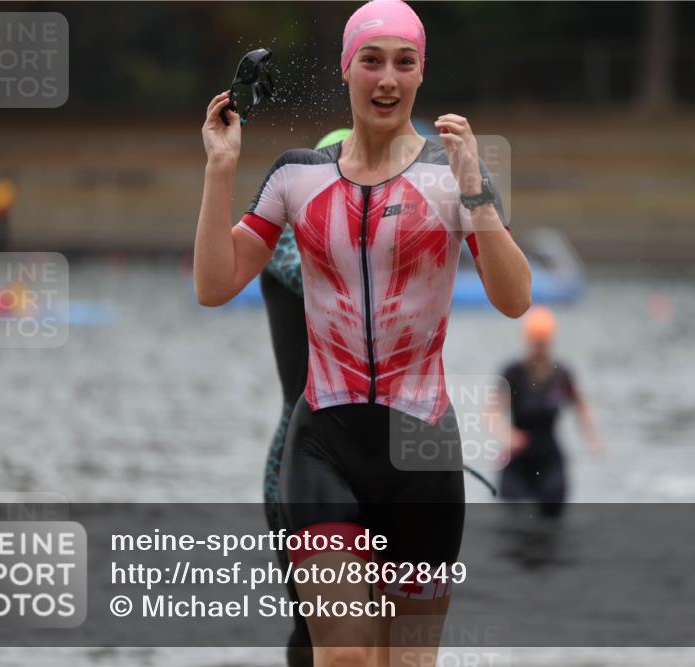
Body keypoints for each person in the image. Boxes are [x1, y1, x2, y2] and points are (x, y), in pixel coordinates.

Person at [194, 1, 532, 664]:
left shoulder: (449, 175)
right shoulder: (297, 176)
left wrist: (475, 192)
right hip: (323, 444)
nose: (387, 78)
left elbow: (514, 299)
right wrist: (219, 170)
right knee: (344, 655)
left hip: (422, 448)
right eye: (371, 61)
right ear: (346, 69)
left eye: (404, 62)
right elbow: (214, 283)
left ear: (421, 73)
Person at [260, 128, 350, 667]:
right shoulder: (290, 235)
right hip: (300, 457)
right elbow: (324, 275)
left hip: (381, 453)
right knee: (318, 632)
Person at [496, 306, 603, 518]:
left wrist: (592, 438)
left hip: (550, 457)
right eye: (535, 342)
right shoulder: (513, 373)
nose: (539, 348)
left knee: (553, 510)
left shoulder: (562, 374)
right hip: (518, 458)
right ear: (527, 340)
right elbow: (491, 413)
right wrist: (506, 436)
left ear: (551, 341)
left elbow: (581, 407)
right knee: (514, 516)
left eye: (543, 343)